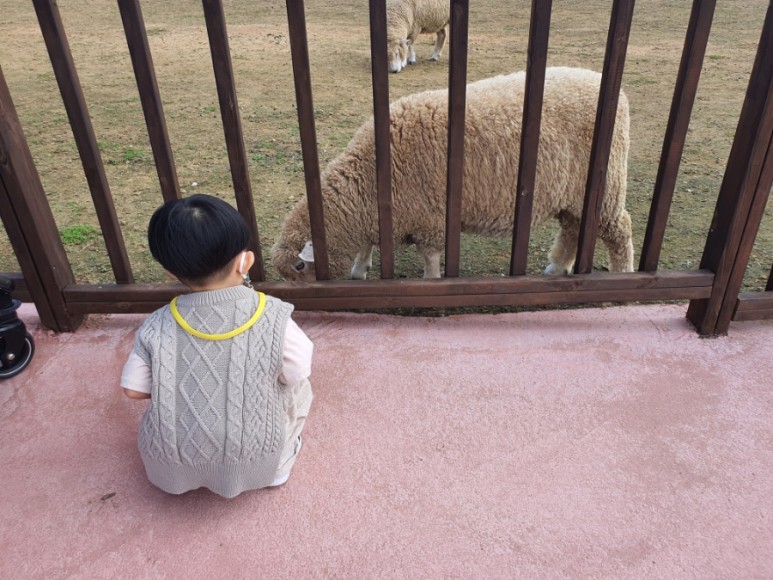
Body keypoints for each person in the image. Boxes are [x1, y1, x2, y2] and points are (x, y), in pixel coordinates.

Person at [120, 194, 313, 498]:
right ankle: (278, 469)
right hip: (259, 460)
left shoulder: (157, 325)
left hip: (169, 467)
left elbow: (133, 391)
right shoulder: (273, 316)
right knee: (300, 389)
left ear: (170, 272)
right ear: (246, 262)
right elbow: (298, 369)